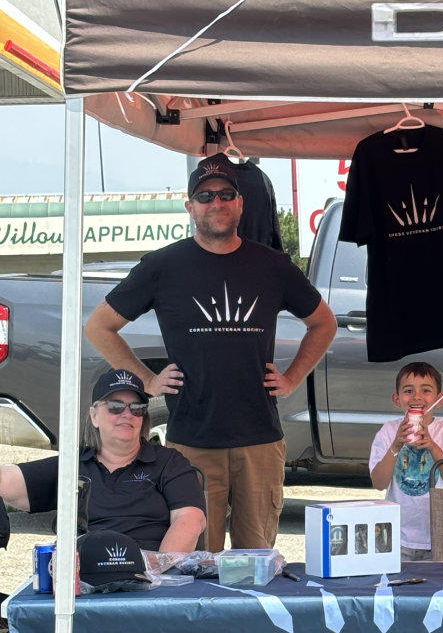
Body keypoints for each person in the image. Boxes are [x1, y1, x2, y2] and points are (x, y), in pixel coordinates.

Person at [84, 158, 337, 553]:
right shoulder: (163, 266)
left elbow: (323, 323)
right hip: (192, 444)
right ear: (190, 207)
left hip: (259, 441)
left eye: (225, 194)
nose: (215, 202)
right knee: (197, 564)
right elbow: (99, 326)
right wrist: (147, 380)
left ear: (240, 204)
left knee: (257, 563)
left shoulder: (272, 266)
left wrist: (293, 377)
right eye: (204, 196)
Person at [0, 370, 206, 552]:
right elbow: (5, 480)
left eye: (137, 407)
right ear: (94, 416)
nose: (127, 414)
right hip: (84, 579)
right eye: (115, 406)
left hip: (151, 574)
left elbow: (189, 519)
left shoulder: (169, 462)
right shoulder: (73, 465)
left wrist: (157, 570)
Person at [369, 363, 443, 561]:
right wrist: (396, 445)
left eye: (426, 390)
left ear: (440, 399)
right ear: (397, 399)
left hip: (440, 535)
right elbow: (378, 483)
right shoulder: (389, 431)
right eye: (408, 391)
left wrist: (432, 446)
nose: (417, 397)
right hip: (398, 536)